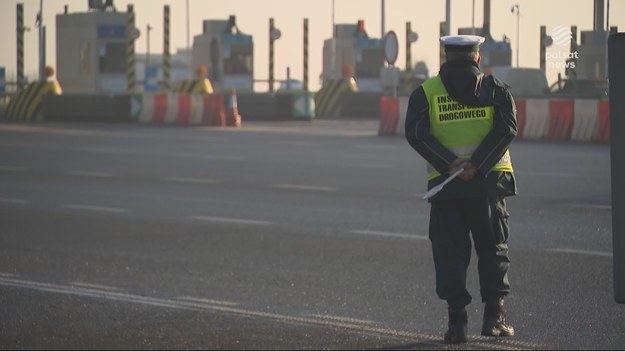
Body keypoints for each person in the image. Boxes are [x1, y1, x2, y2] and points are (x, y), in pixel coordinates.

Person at [404, 35, 518, 344]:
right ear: (477, 58)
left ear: (446, 58)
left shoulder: (425, 94)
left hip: (448, 189)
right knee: (493, 250)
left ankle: (457, 325)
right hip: (488, 186)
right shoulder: (497, 91)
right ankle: (495, 319)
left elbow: (415, 133)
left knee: (450, 254)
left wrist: (450, 164)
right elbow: (507, 128)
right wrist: (477, 164)